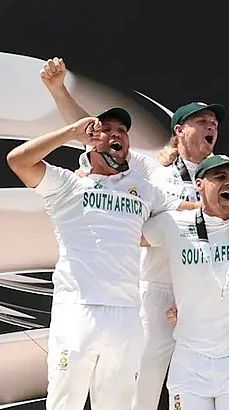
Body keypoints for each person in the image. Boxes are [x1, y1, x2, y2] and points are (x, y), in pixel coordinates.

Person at [38, 59, 229, 410]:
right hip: (153, 295)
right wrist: (58, 90)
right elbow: (95, 138)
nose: (211, 128)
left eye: (214, 124)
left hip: (202, 300)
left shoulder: (225, 172)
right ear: (179, 131)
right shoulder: (150, 169)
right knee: (139, 393)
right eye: (202, 122)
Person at [7, 111, 178, 410]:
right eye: (106, 129)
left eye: (122, 130)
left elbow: (186, 209)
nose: (116, 134)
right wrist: (70, 132)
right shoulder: (68, 184)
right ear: (89, 141)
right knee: (65, 404)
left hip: (127, 314)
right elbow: (18, 160)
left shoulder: (144, 190)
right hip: (77, 310)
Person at [140, 155, 229, 410]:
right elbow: (125, 232)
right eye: (219, 177)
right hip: (190, 361)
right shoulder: (172, 223)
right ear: (199, 184)